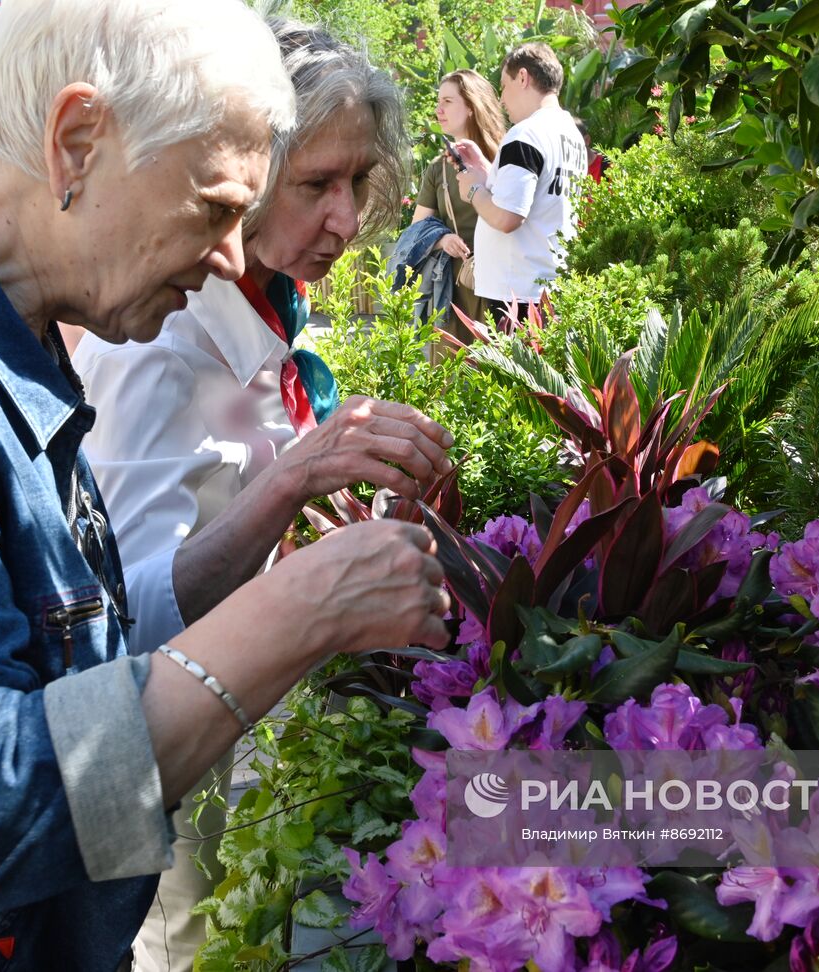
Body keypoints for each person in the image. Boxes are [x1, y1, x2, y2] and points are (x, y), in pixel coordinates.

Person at [0, 2, 451, 970]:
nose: (229, 259)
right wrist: (296, 617)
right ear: (78, 142)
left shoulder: (0, 327)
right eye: (213, 208)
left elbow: (86, 651)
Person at [72, 20, 430, 972]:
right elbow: (122, 622)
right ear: (247, 172)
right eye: (317, 184)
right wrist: (297, 478)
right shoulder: (160, 339)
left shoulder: (261, 313)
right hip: (155, 757)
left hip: (231, 722)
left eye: (358, 182)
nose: (348, 221)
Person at [453, 43, 588, 328]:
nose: (501, 99)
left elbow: (507, 216)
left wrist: (473, 191)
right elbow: (536, 195)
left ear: (523, 78)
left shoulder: (525, 134)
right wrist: (485, 170)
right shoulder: (570, 134)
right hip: (550, 286)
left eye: (503, 86)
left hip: (517, 295)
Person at [410, 69, 507, 338]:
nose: (438, 109)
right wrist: (442, 240)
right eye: (438, 101)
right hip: (456, 289)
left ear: (471, 107)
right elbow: (417, 229)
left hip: (504, 286)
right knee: (452, 375)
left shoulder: (506, 159)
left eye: (448, 102)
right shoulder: (438, 169)